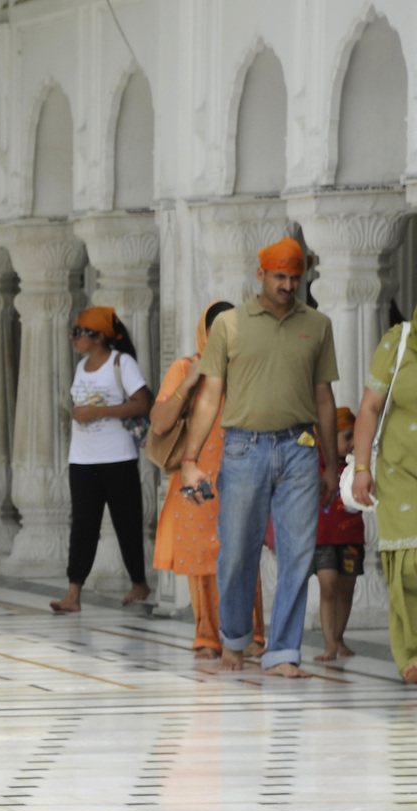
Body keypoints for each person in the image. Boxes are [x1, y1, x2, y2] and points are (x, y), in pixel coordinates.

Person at [181, 238, 340, 676]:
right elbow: (210, 397)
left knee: (298, 554)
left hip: (301, 451)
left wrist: (332, 465)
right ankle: (234, 639)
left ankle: (284, 651)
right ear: (261, 276)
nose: (289, 285)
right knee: (236, 552)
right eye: (280, 277)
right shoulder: (230, 325)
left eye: (295, 277)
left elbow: (324, 399)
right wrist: (190, 460)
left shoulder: (318, 325)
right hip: (243, 448)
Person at [51, 306, 154, 614]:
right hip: (82, 459)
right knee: (82, 525)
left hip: (117, 457)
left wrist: (98, 412)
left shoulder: (122, 363)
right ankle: (73, 593)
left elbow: (142, 403)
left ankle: (139, 582)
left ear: (97, 337)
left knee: (127, 523)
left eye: (78, 332)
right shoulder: (82, 367)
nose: (73, 337)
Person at [153, 301, 235, 659]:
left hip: (238, 472)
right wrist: (190, 380)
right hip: (195, 475)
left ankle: (249, 635)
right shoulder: (185, 367)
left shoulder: (247, 369)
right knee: (200, 557)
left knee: (238, 554)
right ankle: (207, 636)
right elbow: (159, 423)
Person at [350, 317, 417, 682]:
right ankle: (411, 650)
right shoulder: (401, 340)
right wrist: (362, 467)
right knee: (407, 562)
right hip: (400, 470)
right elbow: (370, 408)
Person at [311, 406, 364, 663]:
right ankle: (329, 644)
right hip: (322, 539)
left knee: (346, 589)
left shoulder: (358, 466)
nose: (353, 443)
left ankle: (338, 637)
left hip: (351, 537)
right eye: (347, 437)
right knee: (328, 587)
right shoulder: (315, 464)